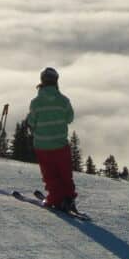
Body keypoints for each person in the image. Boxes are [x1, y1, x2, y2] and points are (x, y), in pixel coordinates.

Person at [25, 67, 78, 212]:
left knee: (50, 175)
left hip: (42, 145)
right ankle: (68, 198)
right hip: (60, 144)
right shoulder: (63, 101)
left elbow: (31, 122)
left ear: (42, 81)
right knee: (65, 173)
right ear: (56, 81)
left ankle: (55, 198)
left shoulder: (35, 102)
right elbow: (70, 118)